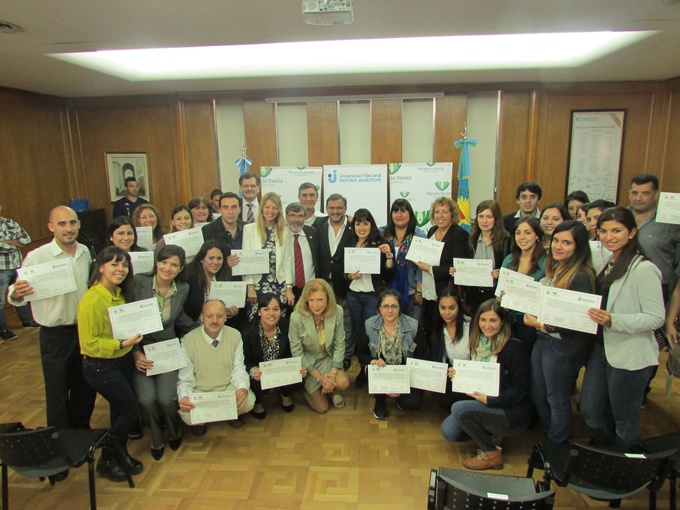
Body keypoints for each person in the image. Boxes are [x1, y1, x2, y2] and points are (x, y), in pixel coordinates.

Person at [8, 206, 97, 483]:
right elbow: (16, 292)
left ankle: (80, 440)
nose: (68, 228)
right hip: (54, 335)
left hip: (83, 330)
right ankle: (58, 454)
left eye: (72, 223)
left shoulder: (86, 252)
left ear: (79, 224)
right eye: (62, 224)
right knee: (58, 393)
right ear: (51, 227)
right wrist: (15, 293)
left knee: (85, 387)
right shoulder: (36, 256)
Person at [581, 207, 665, 446]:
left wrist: (614, 320)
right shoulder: (609, 261)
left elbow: (656, 317)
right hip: (602, 348)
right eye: (604, 231)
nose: (609, 236)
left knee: (625, 420)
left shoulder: (644, 269)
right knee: (592, 411)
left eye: (617, 230)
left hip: (630, 354)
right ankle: (609, 455)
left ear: (632, 232)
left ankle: (627, 472)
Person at [524, 221, 596, 445]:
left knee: (557, 398)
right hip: (544, 341)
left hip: (562, 346)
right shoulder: (557, 267)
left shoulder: (581, 275)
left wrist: (541, 324)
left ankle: (556, 444)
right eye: (556, 240)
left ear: (579, 246)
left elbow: (578, 320)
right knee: (538, 392)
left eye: (567, 242)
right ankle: (550, 432)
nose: (559, 246)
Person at [440, 299, 532, 471]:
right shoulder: (479, 343)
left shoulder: (513, 348)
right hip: (486, 403)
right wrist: (459, 376)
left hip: (511, 411)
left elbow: (521, 390)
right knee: (448, 430)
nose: (487, 325)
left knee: (458, 409)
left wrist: (491, 400)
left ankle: (491, 454)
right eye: (483, 320)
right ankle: (493, 433)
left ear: (502, 322)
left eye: (493, 320)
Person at [77, 246, 144, 482]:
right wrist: (121, 343)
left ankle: (119, 453)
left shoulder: (118, 293)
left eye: (124, 264)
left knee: (119, 410)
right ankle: (107, 457)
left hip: (120, 361)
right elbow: (88, 344)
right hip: (101, 366)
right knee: (130, 410)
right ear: (101, 267)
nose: (120, 269)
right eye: (114, 264)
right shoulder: (92, 299)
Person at [130, 245, 198, 460]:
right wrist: (134, 353)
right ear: (157, 263)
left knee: (167, 399)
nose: (168, 268)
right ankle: (156, 437)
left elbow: (179, 319)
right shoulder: (138, 282)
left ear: (180, 268)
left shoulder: (183, 288)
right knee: (147, 400)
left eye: (174, 265)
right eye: (164, 262)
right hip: (142, 352)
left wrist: (205, 328)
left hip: (167, 349)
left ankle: (173, 429)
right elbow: (126, 323)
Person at [177, 300, 256, 434]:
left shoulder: (235, 335)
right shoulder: (187, 341)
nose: (214, 321)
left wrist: (242, 388)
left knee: (248, 401)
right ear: (201, 318)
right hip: (200, 393)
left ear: (226, 317)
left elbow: (238, 368)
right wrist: (184, 397)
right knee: (186, 414)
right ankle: (200, 421)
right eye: (209, 316)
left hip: (225, 389)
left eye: (219, 316)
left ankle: (230, 414)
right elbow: (185, 379)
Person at [346, 209, 395, 386]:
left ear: (371, 225)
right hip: (353, 295)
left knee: (372, 334)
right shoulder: (349, 242)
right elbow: (341, 270)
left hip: (372, 296)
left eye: (366, 223)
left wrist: (389, 256)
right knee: (359, 334)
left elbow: (389, 274)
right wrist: (349, 276)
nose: (361, 227)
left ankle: (377, 368)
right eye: (358, 223)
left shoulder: (380, 243)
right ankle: (364, 368)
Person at [289, 278, 350, 412]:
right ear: (306, 300)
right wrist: (318, 377)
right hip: (309, 364)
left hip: (328, 358)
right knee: (322, 408)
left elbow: (340, 344)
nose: (315, 305)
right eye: (311, 300)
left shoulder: (337, 311)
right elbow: (297, 353)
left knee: (343, 383)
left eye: (320, 300)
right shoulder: (296, 317)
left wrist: (333, 373)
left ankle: (330, 388)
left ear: (328, 298)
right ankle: (306, 390)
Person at [242, 293, 307, 419]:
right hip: (260, 373)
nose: (271, 313)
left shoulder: (286, 326)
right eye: (266, 309)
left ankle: (285, 394)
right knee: (254, 382)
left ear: (280, 311)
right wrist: (253, 370)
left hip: (280, 370)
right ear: (259, 312)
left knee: (300, 375)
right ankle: (258, 402)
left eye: (275, 309)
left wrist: (298, 367)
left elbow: (291, 352)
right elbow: (245, 359)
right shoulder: (248, 331)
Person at [415, 197, 472, 338]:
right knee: (429, 332)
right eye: (437, 212)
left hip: (447, 294)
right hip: (430, 293)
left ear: (452, 214)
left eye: (445, 212)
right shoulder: (432, 231)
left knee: (443, 336)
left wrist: (430, 269)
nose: (440, 216)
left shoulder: (459, 235)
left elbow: (458, 267)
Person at [366, 288, 426, 420]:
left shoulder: (413, 326)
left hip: (405, 372)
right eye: (385, 306)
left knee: (412, 403)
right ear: (379, 308)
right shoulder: (369, 324)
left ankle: (401, 397)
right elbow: (361, 353)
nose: (390, 310)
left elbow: (421, 357)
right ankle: (380, 400)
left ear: (400, 307)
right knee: (368, 371)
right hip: (381, 371)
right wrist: (373, 362)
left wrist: (403, 383)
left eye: (394, 306)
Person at [314, 194, 355, 370]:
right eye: (331, 207)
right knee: (324, 320)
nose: (335, 211)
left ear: (345, 209)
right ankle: (327, 355)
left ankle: (346, 356)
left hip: (344, 283)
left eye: (339, 208)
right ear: (326, 208)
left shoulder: (354, 227)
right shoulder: (318, 225)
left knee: (345, 321)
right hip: (323, 282)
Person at [629, 173, 680, 304]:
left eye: (645, 193)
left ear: (656, 195)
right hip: (624, 285)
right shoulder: (619, 217)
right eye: (635, 193)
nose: (638, 198)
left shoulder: (671, 222)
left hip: (659, 288)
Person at [455, 200, 510, 318]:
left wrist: (502, 274)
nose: (484, 221)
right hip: (473, 297)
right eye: (481, 216)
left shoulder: (506, 241)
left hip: (495, 297)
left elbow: (513, 270)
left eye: (489, 217)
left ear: (496, 219)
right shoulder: (470, 241)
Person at [500, 216, 547, 352]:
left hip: (530, 322)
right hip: (508, 320)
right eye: (518, 233)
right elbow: (500, 293)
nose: (522, 237)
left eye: (528, 232)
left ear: (537, 235)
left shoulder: (546, 261)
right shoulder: (509, 259)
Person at [240, 192, 289, 314]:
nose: (270, 211)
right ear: (261, 208)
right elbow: (247, 261)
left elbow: (287, 261)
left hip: (278, 285)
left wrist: (289, 287)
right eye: (267, 207)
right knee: (256, 322)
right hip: (257, 286)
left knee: (277, 320)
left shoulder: (284, 230)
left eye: (274, 207)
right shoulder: (249, 229)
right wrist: (250, 286)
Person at [379, 199, 427, 321]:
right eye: (395, 211)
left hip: (411, 292)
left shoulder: (419, 236)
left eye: (403, 211)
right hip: (388, 293)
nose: (399, 215)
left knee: (412, 329)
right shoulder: (382, 233)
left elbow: (422, 266)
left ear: (410, 214)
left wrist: (419, 291)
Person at [429, 288, 471, 411]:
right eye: (443, 308)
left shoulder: (470, 327)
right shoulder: (438, 330)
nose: (447, 313)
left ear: (459, 307)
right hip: (454, 377)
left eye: (452, 308)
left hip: (473, 378)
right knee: (445, 401)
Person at [0, 202, 38, 341]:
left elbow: (26, 240)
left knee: (22, 294)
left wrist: (6, 241)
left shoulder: (11, 223)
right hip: (1, 269)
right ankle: (3, 330)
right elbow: (8, 247)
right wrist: (14, 242)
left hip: (17, 266)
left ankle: (27, 321)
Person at [184, 240, 237, 322]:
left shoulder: (224, 277)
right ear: (201, 259)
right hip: (191, 326)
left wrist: (229, 313)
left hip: (216, 325)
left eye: (219, 258)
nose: (215, 262)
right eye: (211, 258)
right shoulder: (190, 275)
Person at [283, 202, 320, 306]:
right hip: (287, 290)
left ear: (305, 218)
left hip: (311, 289)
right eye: (292, 215)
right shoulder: (280, 235)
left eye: (300, 216)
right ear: (286, 217)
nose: (296, 220)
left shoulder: (313, 233)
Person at [202, 192, 243, 257]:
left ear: (239, 209)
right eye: (225, 207)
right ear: (220, 210)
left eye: (234, 207)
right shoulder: (207, 230)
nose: (230, 212)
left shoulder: (247, 228)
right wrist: (225, 264)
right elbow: (204, 259)